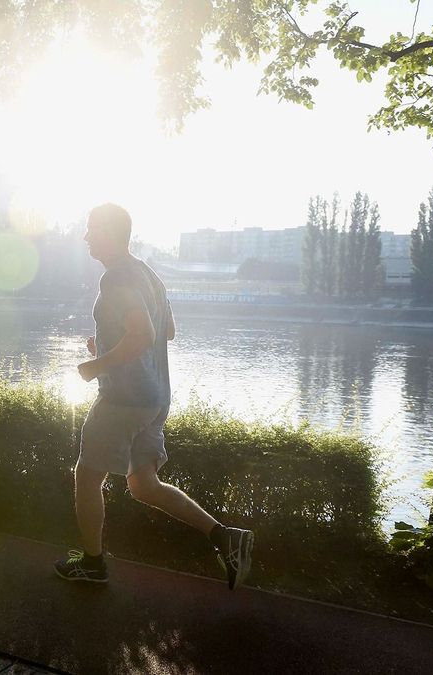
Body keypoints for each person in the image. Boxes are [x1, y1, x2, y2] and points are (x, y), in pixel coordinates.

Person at [54, 203, 254, 590]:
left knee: (86, 475)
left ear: (109, 233)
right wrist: (110, 344)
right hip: (155, 398)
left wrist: (97, 365)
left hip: (123, 399)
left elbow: (144, 334)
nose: (85, 237)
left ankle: (93, 564)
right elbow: (167, 330)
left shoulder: (116, 278)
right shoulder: (149, 275)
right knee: (143, 485)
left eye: (91, 229)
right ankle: (225, 537)